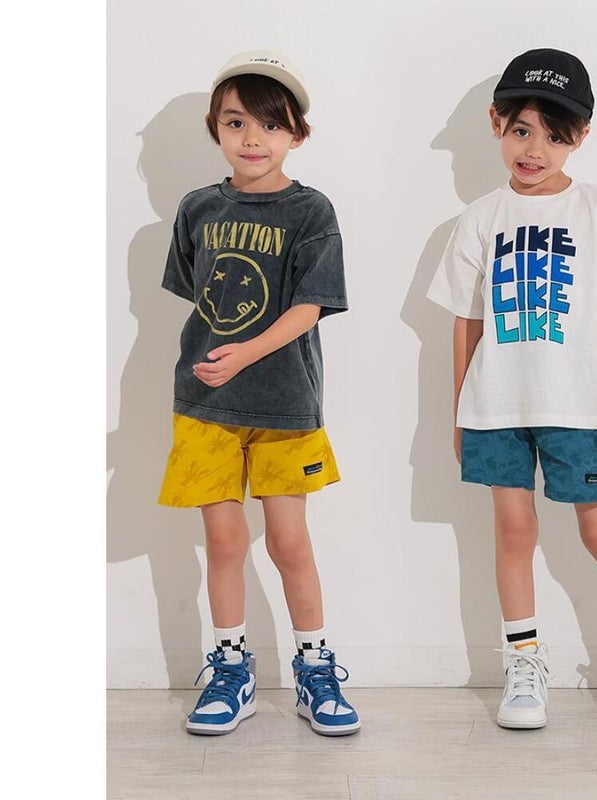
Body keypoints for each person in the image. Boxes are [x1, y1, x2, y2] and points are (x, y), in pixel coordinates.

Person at [426, 48, 597, 728]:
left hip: (578, 404)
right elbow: (466, 321)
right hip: (496, 404)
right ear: (496, 123)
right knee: (512, 529)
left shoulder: (594, 208)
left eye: (555, 137)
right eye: (522, 130)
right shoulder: (480, 218)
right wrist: (460, 409)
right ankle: (524, 665)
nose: (535, 150)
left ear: (580, 138)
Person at [157, 50, 360, 737]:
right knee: (223, 540)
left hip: (285, 403)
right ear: (215, 127)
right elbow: (200, 296)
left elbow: (309, 306)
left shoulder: (311, 210)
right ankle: (231, 667)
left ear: (298, 134)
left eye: (271, 125)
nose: (252, 138)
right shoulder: (198, 208)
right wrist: (220, 359)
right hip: (205, 404)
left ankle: (315, 666)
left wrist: (245, 353)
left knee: (289, 542)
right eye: (236, 122)